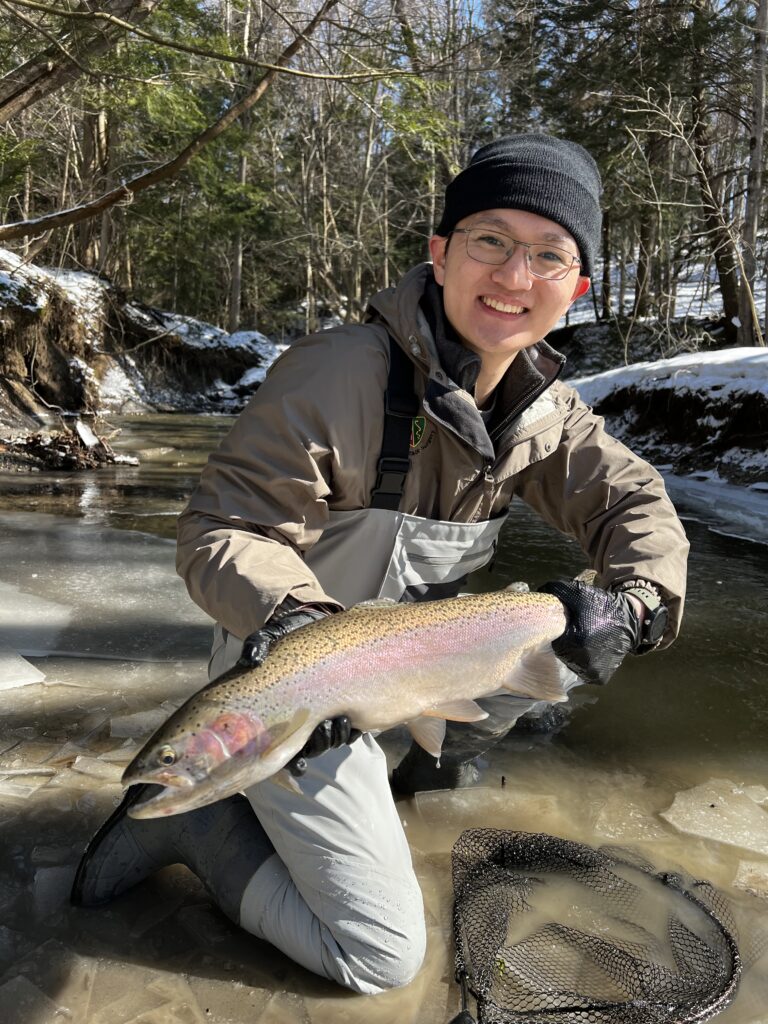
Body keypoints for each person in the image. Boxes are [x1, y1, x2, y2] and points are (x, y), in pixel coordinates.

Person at [71, 134, 689, 993]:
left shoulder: (547, 412)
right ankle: (200, 827)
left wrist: (639, 603)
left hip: (418, 666)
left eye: (549, 256)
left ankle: (390, 765)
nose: (515, 276)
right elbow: (225, 525)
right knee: (379, 959)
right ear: (439, 254)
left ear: (575, 290)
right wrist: (294, 627)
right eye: (491, 242)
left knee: (563, 658)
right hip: (289, 672)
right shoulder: (336, 372)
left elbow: (634, 503)